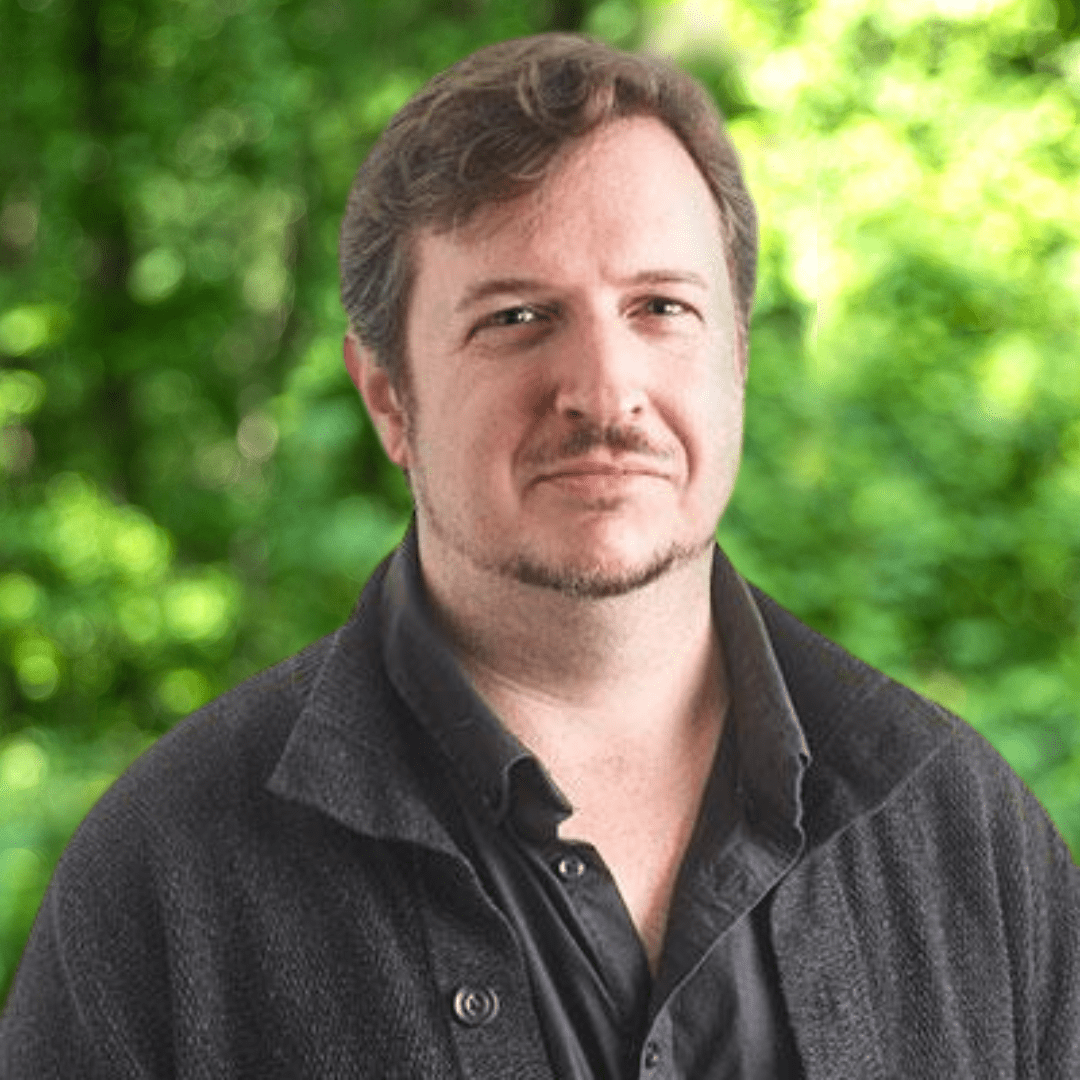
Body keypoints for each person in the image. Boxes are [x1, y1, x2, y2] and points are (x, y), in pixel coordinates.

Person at [2, 32, 1078, 1079]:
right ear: (389, 398)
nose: (605, 391)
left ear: (738, 359)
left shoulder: (965, 834)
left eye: (661, 307)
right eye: (517, 316)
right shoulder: (166, 879)